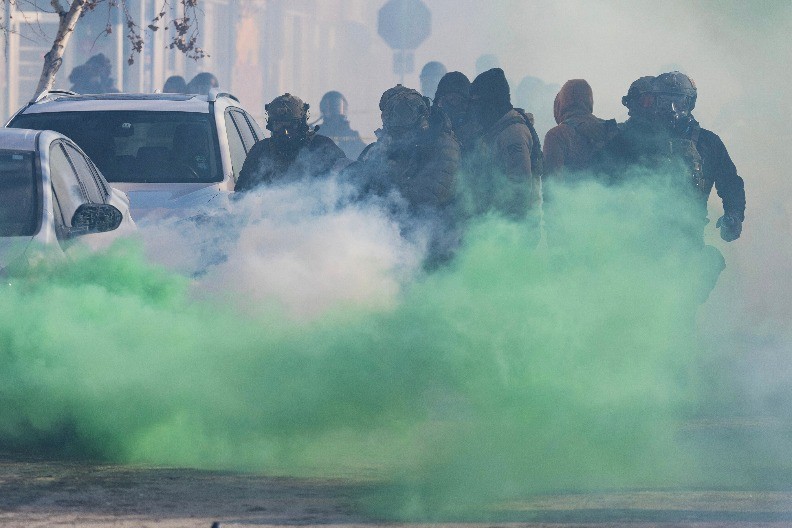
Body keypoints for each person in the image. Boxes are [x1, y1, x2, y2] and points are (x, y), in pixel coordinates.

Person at [465, 68, 542, 224]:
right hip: (497, 227)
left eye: (477, 102)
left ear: (491, 103)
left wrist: (507, 234)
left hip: (512, 233)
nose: (474, 109)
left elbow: (518, 189)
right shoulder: (497, 130)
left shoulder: (513, 134)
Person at [235, 93, 347, 192]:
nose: (285, 131)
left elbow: (346, 181)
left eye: (291, 125)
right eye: (279, 125)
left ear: (301, 125)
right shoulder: (261, 150)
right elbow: (242, 194)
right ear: (271, 125)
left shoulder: (322, 146)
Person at [543, 79, 618, 179]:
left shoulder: (556, 135)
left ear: (561, 103)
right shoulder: (609, 128)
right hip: (611, 194)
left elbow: (551, 182)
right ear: (589, 100)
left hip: (570, 194)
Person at [432, 71, 479, 153]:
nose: (461, 106)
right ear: (440, 102)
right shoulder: (430, 132)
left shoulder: (479, 134)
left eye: (464, 101)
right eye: (453, 100)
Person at [316, 91, 366, 160]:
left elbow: (363, 155)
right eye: (331, 106)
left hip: (348, 169)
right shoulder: (316, 133)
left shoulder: (352, 135)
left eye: (337, 105)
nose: (334, 109)